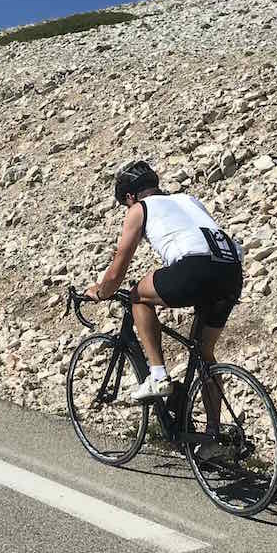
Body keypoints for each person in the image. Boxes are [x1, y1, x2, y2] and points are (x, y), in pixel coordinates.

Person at [84, 160, 243, 408]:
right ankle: (215, 435)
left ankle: (158, 376)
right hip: (231, 271)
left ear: (130, 196)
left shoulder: (138, 209)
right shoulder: (188, 200)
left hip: (195, 268)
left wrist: (101, 292)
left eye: (125, 203)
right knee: (203, 354)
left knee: (137, 295)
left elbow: (118, 270)